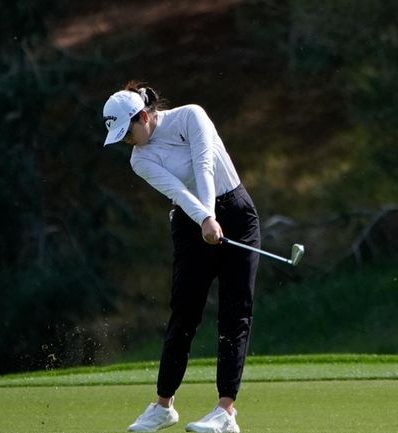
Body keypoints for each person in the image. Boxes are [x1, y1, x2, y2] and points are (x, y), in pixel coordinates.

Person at [102, 81, 260, 433]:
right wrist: (204, 218)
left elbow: (203, 165)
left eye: (128, 131)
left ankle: (225, 411)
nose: (126, 140)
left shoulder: (191, 116)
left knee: (235, 314)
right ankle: (163, 407)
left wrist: (212, 217)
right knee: (184, 313)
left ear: (144, 116)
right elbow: (178, 190)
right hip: (192, 222)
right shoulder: (139, 159)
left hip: (234, 211)